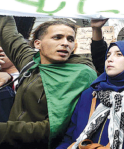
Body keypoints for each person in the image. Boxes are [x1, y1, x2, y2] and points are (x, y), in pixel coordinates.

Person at [0, 17, 97, 148]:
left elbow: (52, 128)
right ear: (37, 44)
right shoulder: (31, 62)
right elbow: (8, 32)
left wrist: (4, 130)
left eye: (70, 39)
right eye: (57, 37)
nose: (65, 43)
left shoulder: (79, 74)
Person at [57, 41, 124, 149]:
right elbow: (69, 137)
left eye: (119, 54)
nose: (110, 59)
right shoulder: (91, 94)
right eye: (108, 55)